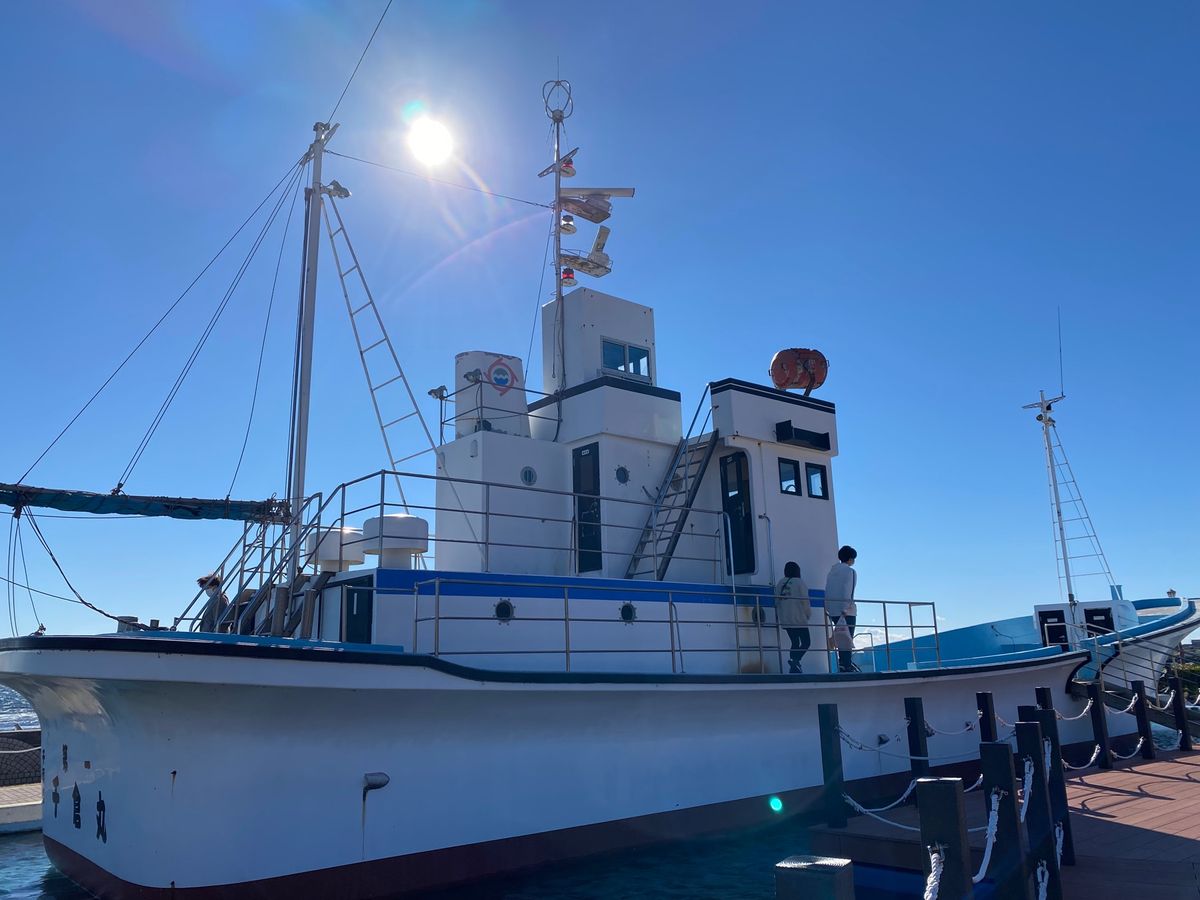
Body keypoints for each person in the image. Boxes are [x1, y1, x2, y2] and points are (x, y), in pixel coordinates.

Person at [825, 545, 858, 673]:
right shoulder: (850, 572)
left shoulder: (831, 572)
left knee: (840, 637)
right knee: (847, 637)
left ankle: (843, 663)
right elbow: (848, 591)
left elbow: (827, 590)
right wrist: (846, 608)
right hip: (846, 611)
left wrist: (828, 607)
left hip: (832, 610)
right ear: (850, 559)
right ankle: (846, 664)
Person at [775, 561, 811, 674]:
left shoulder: (780, 583)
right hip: (799, 619)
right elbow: (805, 600)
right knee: (806, 642)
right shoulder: (799, 582)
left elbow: (776, 601)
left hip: (786, 619)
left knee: (794, 642)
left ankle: (794, 666)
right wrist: (808, 614)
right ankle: (795, 661)